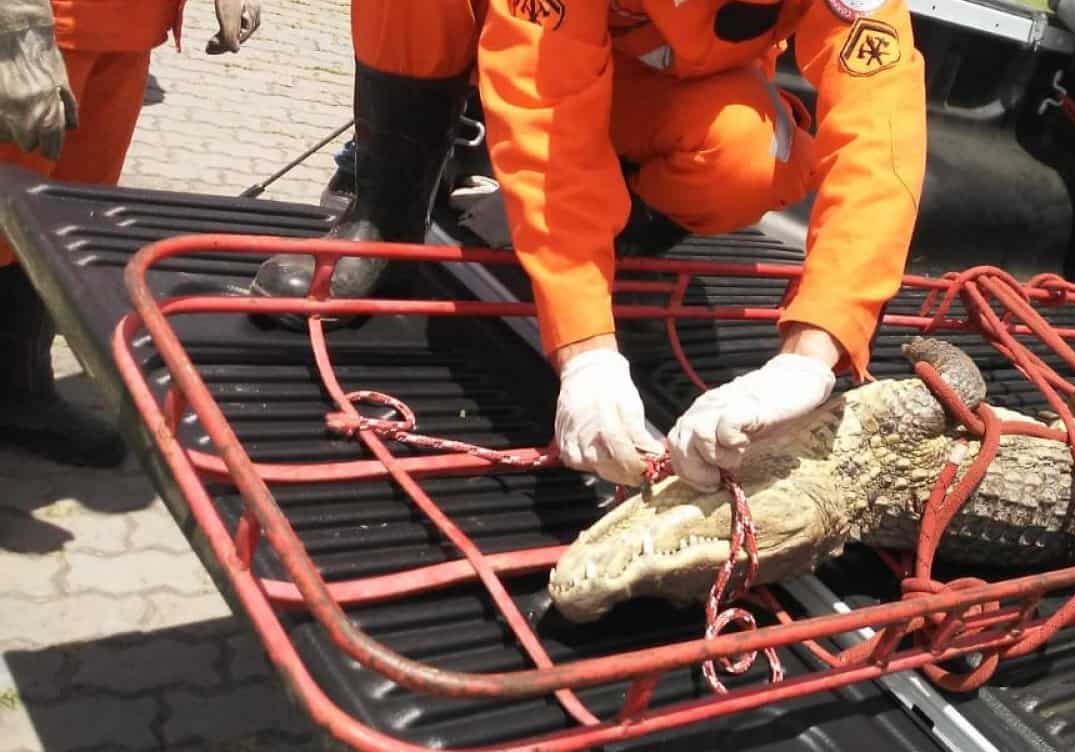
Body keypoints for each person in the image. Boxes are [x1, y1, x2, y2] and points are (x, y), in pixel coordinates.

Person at [250, 0, 927, 493]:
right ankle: (387, 211)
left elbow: (880, 135)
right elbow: (547, 109)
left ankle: (609, 237)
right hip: (519, 43)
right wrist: (586, 350)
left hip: (646, 88)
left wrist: (813, 352)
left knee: (757, 154)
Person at [0, 0, 261, 466]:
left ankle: (18, 391)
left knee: (61, 225)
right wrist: (16, 29)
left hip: (127, 29)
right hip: (44, 25)